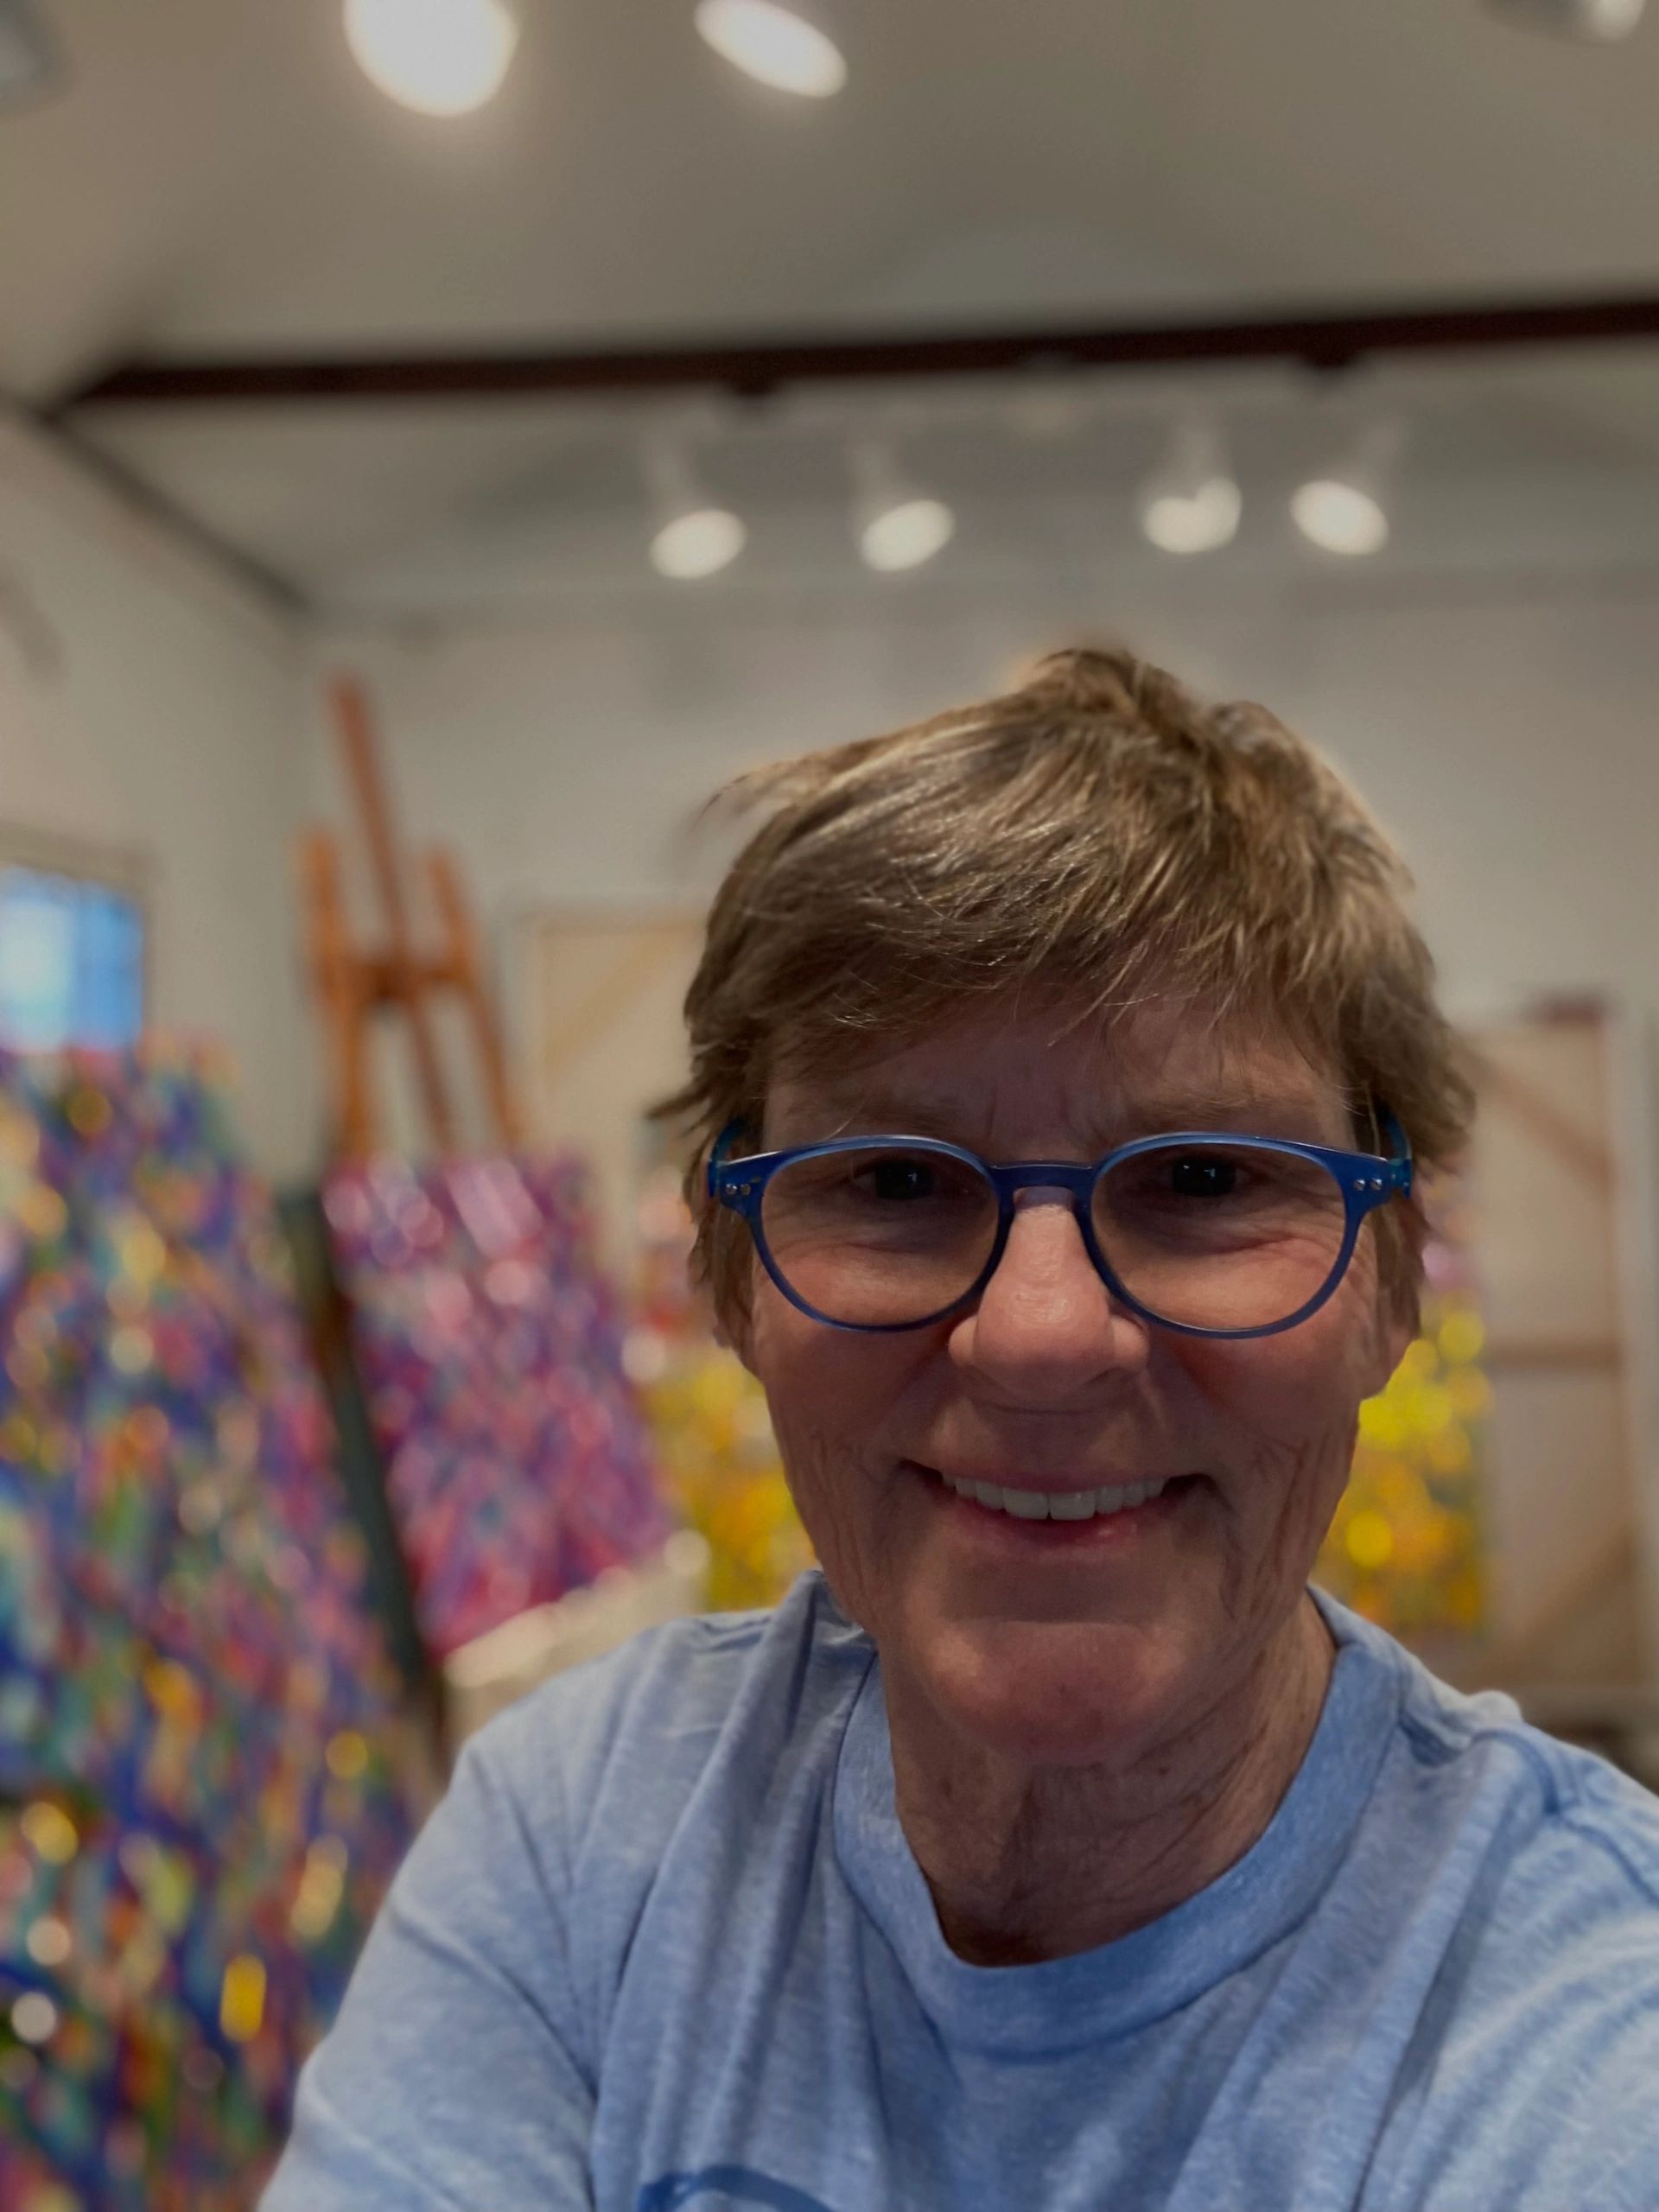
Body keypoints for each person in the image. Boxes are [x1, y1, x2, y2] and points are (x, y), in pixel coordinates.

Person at [263, 645, 1659, 2212]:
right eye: (896, 1183)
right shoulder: (585, 1840)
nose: (1044, 1338)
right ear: (732, 1277)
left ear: (1391, 1280)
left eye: (1202, 1182)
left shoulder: (1588, 2028)